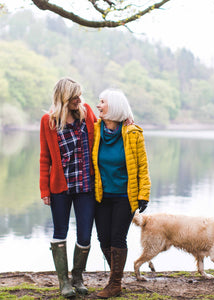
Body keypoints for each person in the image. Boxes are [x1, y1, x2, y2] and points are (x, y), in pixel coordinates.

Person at [39, 77, 97, 297]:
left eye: (79, 95)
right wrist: (44, 190)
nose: (79, 100)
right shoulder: (48, 121)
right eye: (74, 97)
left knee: (84, 234)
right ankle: (64, 282)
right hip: (60, 188)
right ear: (63, 98)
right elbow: (45, 158)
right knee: (60, 232)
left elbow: (104, 128)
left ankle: (78, 277)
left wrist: (126, 119)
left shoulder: (86, 113)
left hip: (86, 186)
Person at [92, 88, 151, 298]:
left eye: (102, 102)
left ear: (114, 106)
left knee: (118, 237)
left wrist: (144, 194)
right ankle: (117, 277)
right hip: (100, 195)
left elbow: (143, 167)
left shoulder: (132, 133)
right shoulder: (94, 130)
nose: (98, 105)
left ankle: (115, 284)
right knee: (102, 238)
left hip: (124, 197)